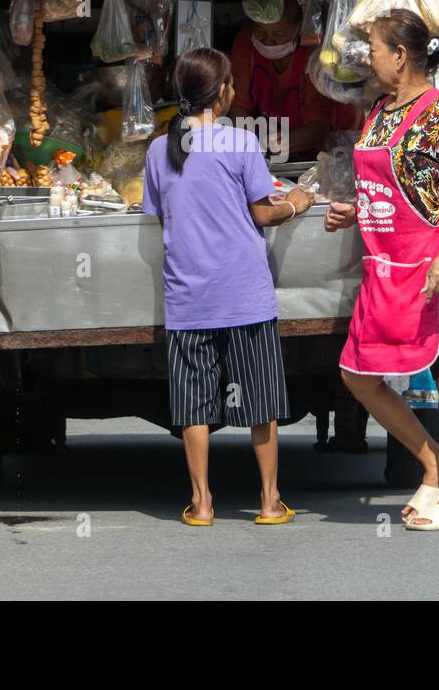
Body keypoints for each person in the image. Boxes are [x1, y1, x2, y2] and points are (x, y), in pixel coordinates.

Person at [324, 10, 439, 531]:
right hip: (387, 271)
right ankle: (434, 462)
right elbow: (388, 186)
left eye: (374, 47)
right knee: (357, 374)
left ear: (401, 55)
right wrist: (357, 209)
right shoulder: (379, 111)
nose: (367, 57)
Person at [142, 48, 315, 526]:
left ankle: (201, 504)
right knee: (261, 402)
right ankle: (269, 501)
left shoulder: (159, 149)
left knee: (194, 404)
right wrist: (297, 202)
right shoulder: (240, 143)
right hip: (243, 295)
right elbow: (263, 211)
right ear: (222, 93)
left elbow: (158, 218)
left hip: (188, 299)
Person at [230, 0, 362, 160]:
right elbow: (238, 105)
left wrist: (283, 144)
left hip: (333, 149)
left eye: (279, 33)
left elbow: (319, 126)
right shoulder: (246, 43)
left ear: (299, 29)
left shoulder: (313, 54)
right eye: (260, 31)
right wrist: (250, 142)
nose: (268, 41)